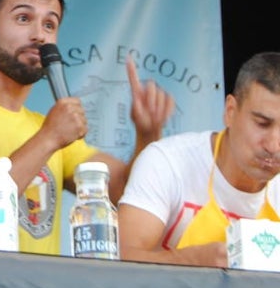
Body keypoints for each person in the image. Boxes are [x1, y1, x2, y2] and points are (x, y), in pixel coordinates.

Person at [0, 0, 172, 254]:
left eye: (49, 24)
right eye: (23, 18)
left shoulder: (47, 127)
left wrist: (147, 136)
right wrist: (49, 137)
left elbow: (123, 193)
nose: (39, 34)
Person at [119, 52, 280, 267]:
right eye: (262, 123)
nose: (273, 145)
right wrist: (190, 261)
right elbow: (118, 262)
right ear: (230, 111)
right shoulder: (167, 162)